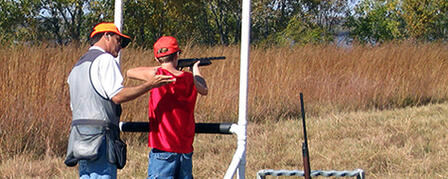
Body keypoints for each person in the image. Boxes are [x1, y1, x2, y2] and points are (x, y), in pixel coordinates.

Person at [64, 22, 175, 179]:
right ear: (107, 36)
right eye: (118, 40)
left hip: (79, 138)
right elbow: (117, 95)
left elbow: (75, 106)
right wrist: (150, 85)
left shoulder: (78, 66)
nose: (120, 46)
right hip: (101, 137)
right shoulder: (105, 60)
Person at [127, 36, 208, 179]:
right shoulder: (189, 79)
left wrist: (160, 67)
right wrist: (195, 69)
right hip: (185, 148)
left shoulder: (157, 76)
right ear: (177, 55)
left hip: (162, 147)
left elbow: (130, 72)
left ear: (158, 58)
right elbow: (204, 89)